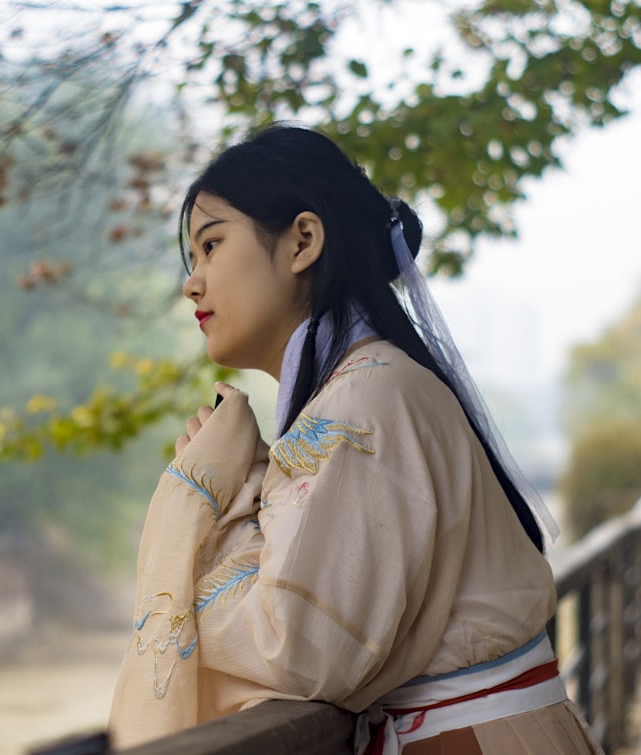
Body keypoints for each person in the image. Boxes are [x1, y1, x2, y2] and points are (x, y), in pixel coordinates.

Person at [107, 124, 602, 754]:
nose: (192, 282)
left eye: (211, 245)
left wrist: (214, 499)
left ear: (302, 241)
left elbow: (304, 650)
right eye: (193, 258)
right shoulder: (369, 388)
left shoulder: (363, 403)